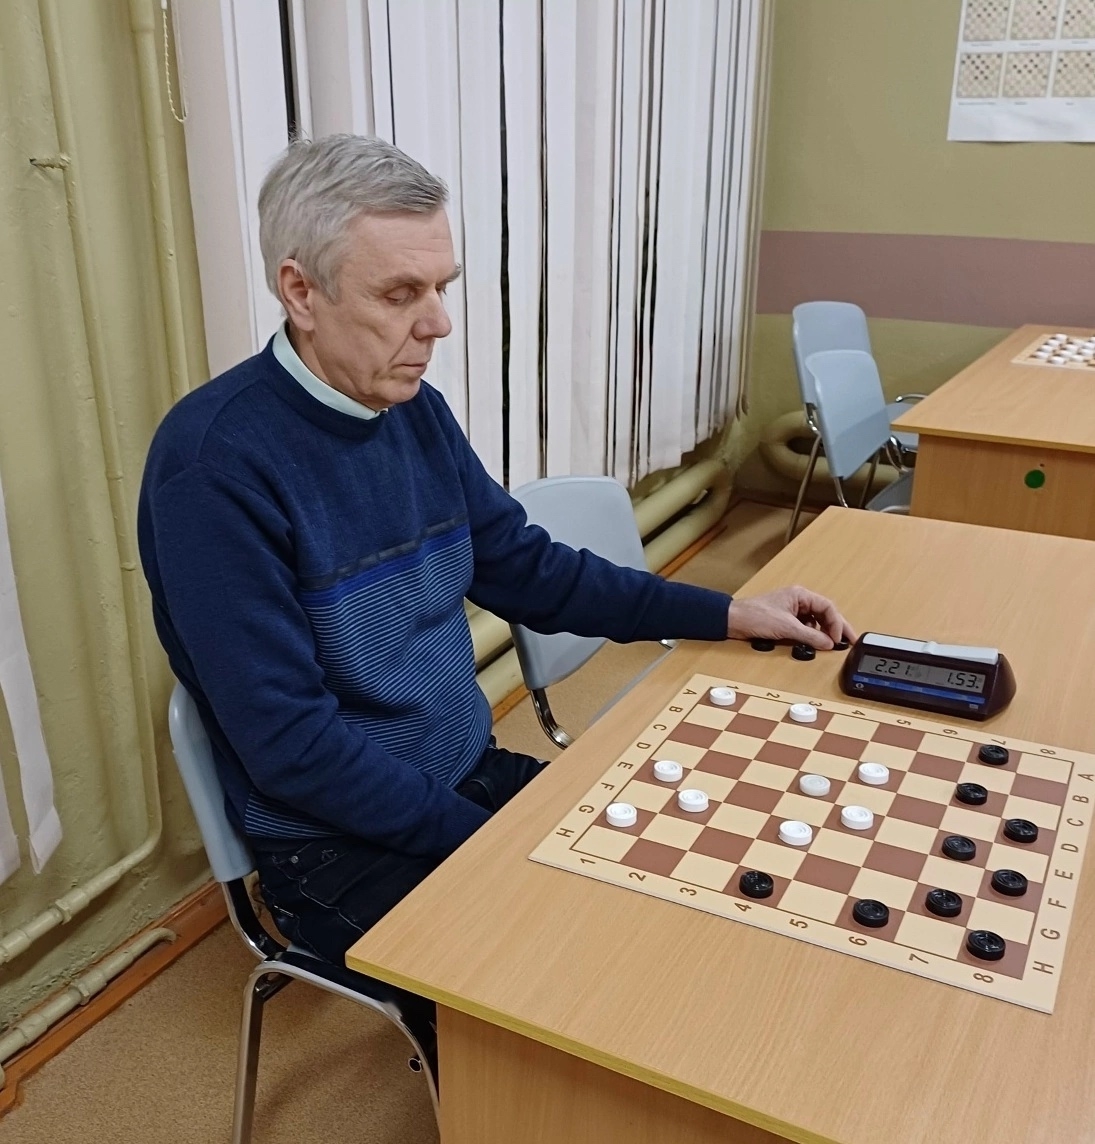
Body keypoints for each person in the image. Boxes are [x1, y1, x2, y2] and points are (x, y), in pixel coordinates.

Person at [138, 134, 854, 971]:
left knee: (697, 890)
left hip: (462, 773)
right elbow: (297, 752)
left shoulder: (411, 409)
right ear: (300, 291)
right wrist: (494, 844)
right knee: (591, 971)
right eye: (400, 293)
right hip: (335, 845)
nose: (437, 323)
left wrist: (728, 611)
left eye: (441, 287)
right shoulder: (212, 469)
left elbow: (527, 569)